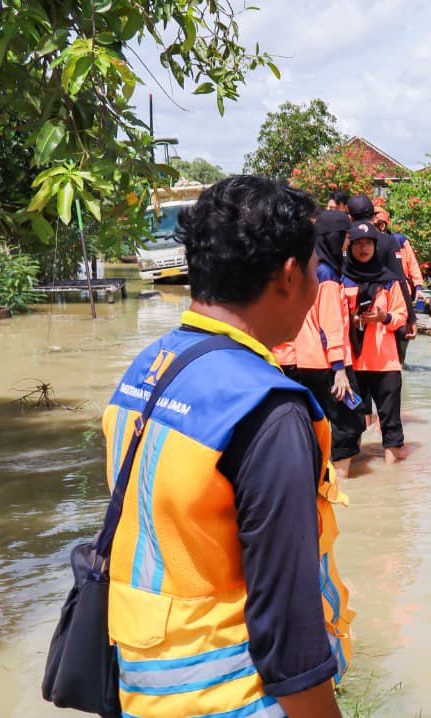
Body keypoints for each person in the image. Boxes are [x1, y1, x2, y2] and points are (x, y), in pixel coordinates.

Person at [100, 176, 353, 718]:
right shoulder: (268, 410)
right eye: (313, 270)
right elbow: (288, 621)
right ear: (288, 276)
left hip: (142, 684)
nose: (315, 285)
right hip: (233, 694)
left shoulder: (148, 367)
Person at [272, 208, 362, 478]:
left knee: (313, 423)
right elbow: (330, 323)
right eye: (346, 237)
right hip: (327, 363)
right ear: (334, 238)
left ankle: (317, 477)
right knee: (349, 424)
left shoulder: (304, 268)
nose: (348, 244)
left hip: (301, 361)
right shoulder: (328, 275)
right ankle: (341, 481)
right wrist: (339, 368)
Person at [342, 221, 412, 463]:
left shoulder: (390, 280)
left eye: (368, 244)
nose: (363, 248)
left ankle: (393, 483)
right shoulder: (342, 280)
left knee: (391, 425)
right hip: (353, 363)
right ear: (349, 247)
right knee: (351, 426)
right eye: (358, 244)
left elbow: (401, 315)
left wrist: (385, 317)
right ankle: (356, 480)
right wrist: (351, 319)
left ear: (375, 247)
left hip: (386, 363)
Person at [373, 206, 424, 363]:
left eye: (378, 224)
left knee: (400, 330)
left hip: (400, 292)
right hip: (379, 294)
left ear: (384, 225)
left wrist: (419, 287)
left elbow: (412, 264)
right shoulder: (365, 241)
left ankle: (399, 362)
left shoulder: (399, 241)